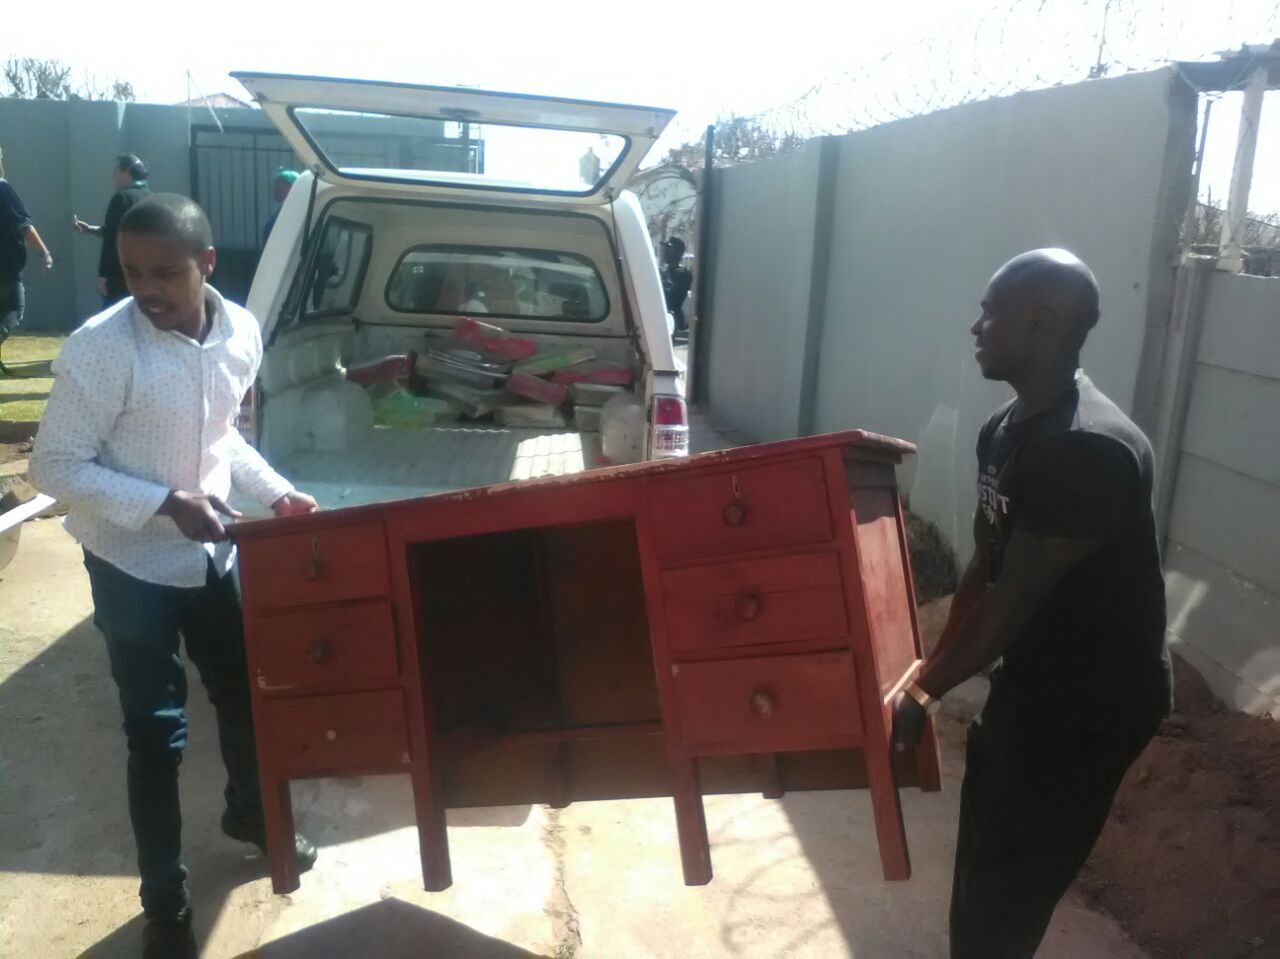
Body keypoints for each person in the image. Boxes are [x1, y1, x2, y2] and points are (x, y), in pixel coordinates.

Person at [32, 193, 320, 959]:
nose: (147, 290)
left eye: (165, 272)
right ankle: (166, 902)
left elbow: (223, 436)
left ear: (207, 264)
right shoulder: (102, 349)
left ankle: (252, 814)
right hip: (129, 562)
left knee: (247, 695)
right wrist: (166, 502)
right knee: (155, 733)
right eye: (132, 272)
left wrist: (277, 492)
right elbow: (53, 467)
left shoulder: (242, 332)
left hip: (214, 553)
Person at [890, 248, 1172, 959]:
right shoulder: (1006, 429)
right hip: (1035, 678)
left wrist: (924, 693)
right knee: (984, 853)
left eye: (991, 312)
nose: (975, 326)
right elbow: (986, 568)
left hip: (1092, 703)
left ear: (1041, 323)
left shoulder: (1087, 449)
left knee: (1009, 885)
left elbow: (1015, 597)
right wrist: (928, 670)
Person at [73, 153, 151, 307]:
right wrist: (89, 229)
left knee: (113, 314)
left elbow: (112, 237)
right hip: (145, 272)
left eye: (115, 173)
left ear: (126, 172)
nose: (113, 179)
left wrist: (104, 275)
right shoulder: (150, 197)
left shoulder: (121, 198)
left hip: (121, 273)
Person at [0, 150, 54, 373]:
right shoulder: (3, 189)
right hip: (5, 267)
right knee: (13, 309)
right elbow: (23, 226)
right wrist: (44, 251)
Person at [660, 236, 693, 339]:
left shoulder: (683, 274)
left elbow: (671, 296)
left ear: (678, 253)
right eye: (665, 248)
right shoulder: (662, 271)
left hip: (673, 321)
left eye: (669, 249)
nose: (665, 252)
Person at [261, 167, 299, 243]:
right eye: (275, 183)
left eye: (280, 183)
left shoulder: (294, 213)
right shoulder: (284, 210)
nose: (275, 188)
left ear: (292, 187)